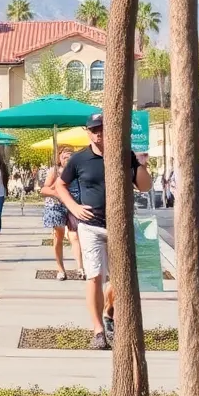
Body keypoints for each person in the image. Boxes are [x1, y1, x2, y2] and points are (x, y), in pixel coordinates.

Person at [54, 113, 152, 350]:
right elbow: (60, 185)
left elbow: (145, 186)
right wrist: (74, 207)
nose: (99, 134)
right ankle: (98, 330)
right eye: (94, 130)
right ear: (87, 132)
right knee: (95, 276)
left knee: (121, 279)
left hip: (121, 227)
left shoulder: (123, 155)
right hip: (91, 227)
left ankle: (110, 313)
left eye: (102, 130)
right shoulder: (79, 159)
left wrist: (138, 163)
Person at [41, 146, 85, 281]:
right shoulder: (55, 171)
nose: (68, 159)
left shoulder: (77, 170)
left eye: (70, 156)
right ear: (59, 158)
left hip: (72, 205)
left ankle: (80, 268)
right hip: (57, 206)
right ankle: (60, 269)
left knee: (75, 237)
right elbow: (44, 190)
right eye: (65, 156)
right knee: (58, 236)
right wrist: (58, 193)